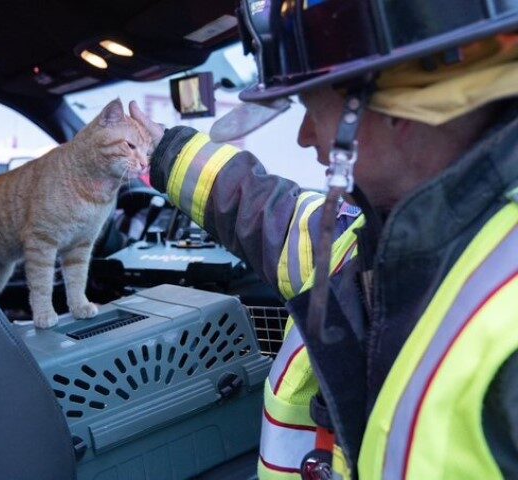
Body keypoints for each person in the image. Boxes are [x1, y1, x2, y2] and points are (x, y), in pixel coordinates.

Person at [129, 1, 518, 478]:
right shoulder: (374, 234)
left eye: (314, 108)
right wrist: (167, 154)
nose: (304, 136)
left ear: (404, 106)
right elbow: (271, 215)